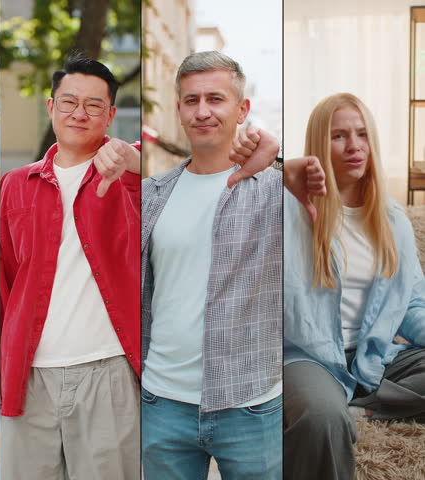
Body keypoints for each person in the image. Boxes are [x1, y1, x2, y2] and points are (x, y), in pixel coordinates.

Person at [141, 50, 329, 479]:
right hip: (162, 403)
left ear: (242, 108)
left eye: (215, 98)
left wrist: (280, 161)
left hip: (250, 404)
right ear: (179, 110)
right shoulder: (152, 195)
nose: (202, 111)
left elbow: (328, 212)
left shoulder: (274, 189)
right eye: (191, 100)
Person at [0, 56, 141, 480]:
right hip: (29, 375)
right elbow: (8, 280)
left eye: (94, 105)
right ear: (50, 107)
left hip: (109, 372)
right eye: (69, 102)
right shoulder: (15, 184)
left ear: (111, 114)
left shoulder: (130, 178)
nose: (80, 113)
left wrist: (133, 161)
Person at [283, 93, 425, 480]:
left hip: (374, 356)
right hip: (308, 357)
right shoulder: (287, 210)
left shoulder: (392, 221)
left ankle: (365, 406)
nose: (354, 146)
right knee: (320, 417)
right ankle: (338, 403)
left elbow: (412, 306)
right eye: (339, 136)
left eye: (362, 134)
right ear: (318, 144)